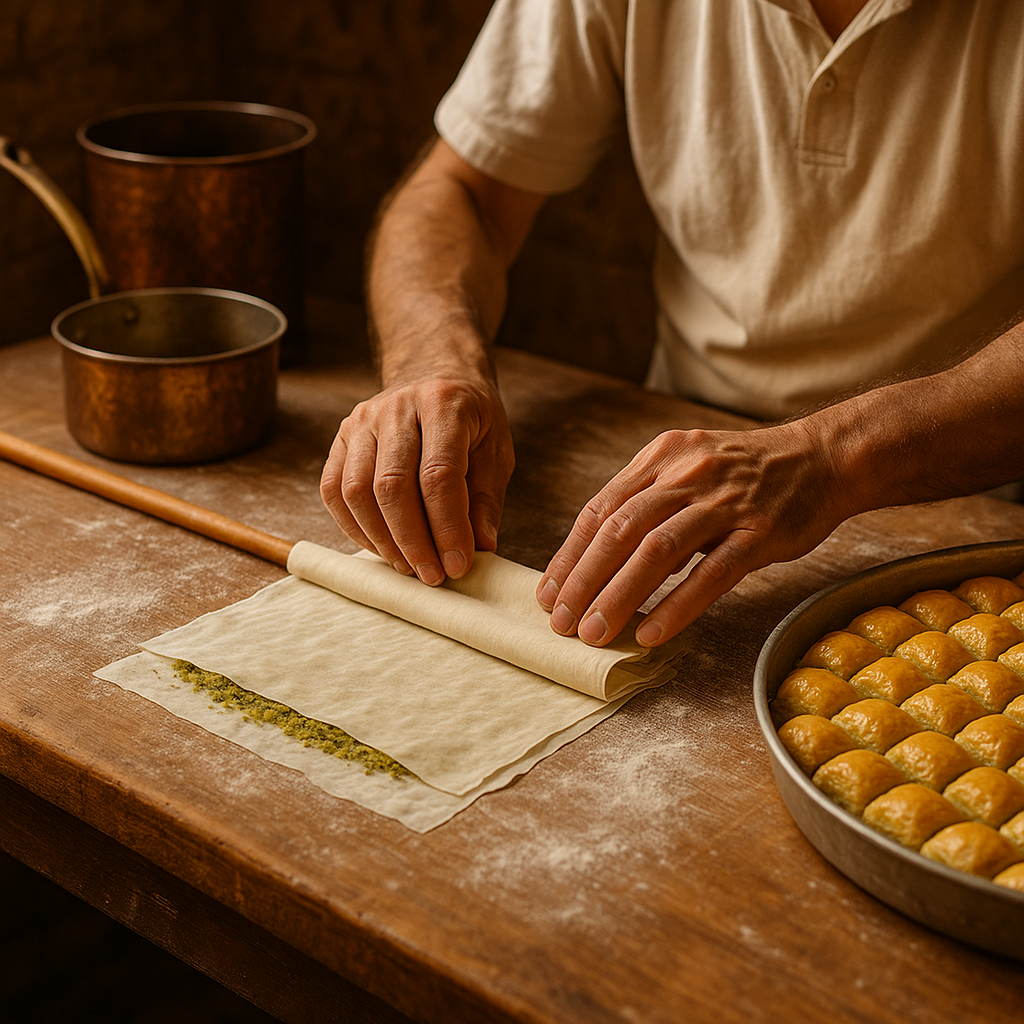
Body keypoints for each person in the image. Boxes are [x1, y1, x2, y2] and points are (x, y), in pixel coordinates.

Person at [320, 0, 1024, 651]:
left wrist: (833, 459)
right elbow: (462, 193)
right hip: (669, 454)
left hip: (966, 496)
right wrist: (433, 363)